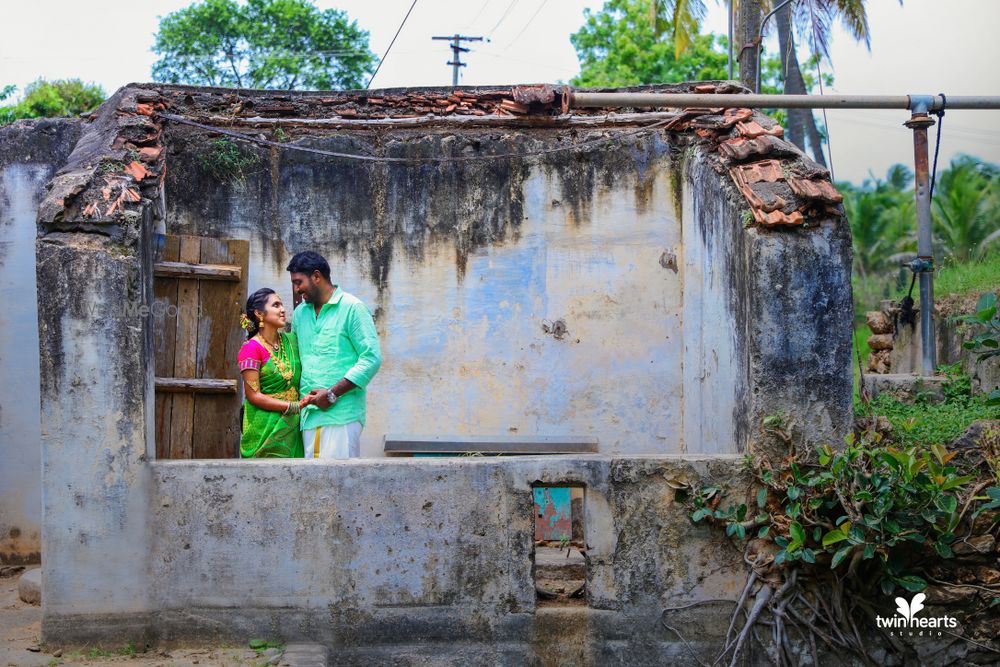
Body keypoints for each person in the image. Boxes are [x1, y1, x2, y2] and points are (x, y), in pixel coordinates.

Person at [286, 251, 382, 459]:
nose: (296, 289)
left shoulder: (352, 308)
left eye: (298, 282)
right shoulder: (301, 314)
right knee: (312, 486)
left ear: (317, 277)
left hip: (341, 416)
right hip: (308, 417)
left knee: (340, 485)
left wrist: (331, 394)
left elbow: (371, 359)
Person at [237, 288, 310, 458]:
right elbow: (253, 395)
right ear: (259, 313)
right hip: (265, 427)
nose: (282, 309)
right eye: (276, 305)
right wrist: (293, 406)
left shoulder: (291, 341)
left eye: (282, 304)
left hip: (293, 425)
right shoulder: (251, 349)